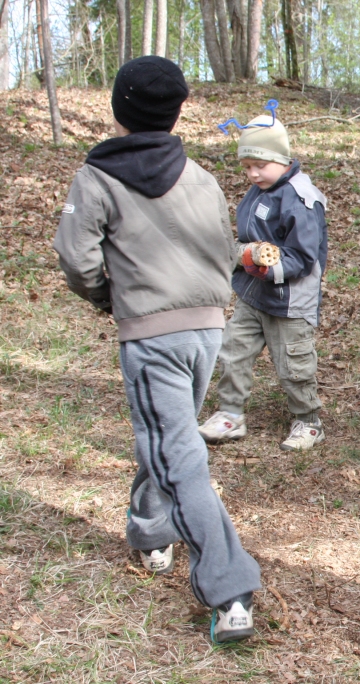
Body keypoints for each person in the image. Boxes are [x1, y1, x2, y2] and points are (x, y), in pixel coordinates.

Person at [53, 56, 261, 643]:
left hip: (155, 334)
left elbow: (76, 258)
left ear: (120, 108)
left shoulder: (97, 175)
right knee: (167, 437)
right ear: (174, 112)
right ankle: (151, 533)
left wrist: (108, 298)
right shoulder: (200, 176)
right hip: (206, 330)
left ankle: (230, 588)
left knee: (177, 454)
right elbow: (225, 249)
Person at [198, 103, 329, 452]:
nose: (254, 174)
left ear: (283, 158)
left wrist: (267, 266)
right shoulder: (259, 191)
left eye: (261, 165)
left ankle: (308, 420)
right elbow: (245, 236)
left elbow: (303, 256)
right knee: (233, 351)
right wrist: (245, 256)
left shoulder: (301, 198)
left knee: (294, 364)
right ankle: (230, 413)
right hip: (253, 294)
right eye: (247, 167)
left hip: (290, 300)